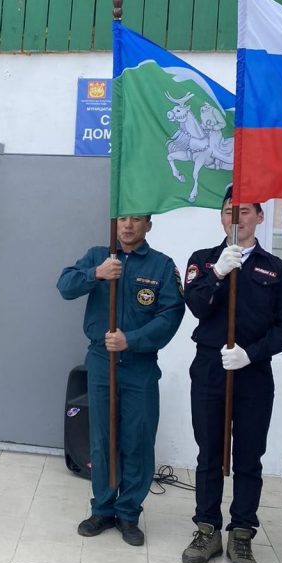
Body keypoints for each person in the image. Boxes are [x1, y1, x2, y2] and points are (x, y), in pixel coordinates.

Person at [182, 185, 282, 563]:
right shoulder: (202, 261)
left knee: (249, 456)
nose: (237, 217)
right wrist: (218, 272)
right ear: (221, 217)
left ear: (260, 217)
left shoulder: (276, 270)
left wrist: (252, 353)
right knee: (209, 453)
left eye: (246, 210)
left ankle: (242, 532)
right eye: (230, 210)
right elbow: (196, 306)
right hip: (210, 368)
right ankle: (207, 529)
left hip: (253, 372)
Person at [57, 215, 185, 546]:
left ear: (148, 225)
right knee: (102, 438)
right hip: (102, 362)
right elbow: (65, 286)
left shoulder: (161, 266)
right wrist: (96, 273)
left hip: (139, 365)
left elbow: (171, 314)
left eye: (136, 220)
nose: (128, 226)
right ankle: (102, 509)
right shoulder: (98, 256)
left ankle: (128, 513)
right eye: (123, 219)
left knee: (137, 440)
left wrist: (133, 339)